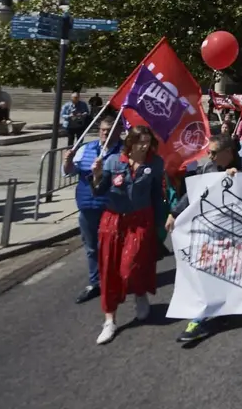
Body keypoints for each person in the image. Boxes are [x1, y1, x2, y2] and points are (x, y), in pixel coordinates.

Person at [90, 124, 167, 345]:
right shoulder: (113, 162)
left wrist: (164, 220)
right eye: (140, 142)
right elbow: (100, 190)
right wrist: (96, 176)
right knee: (109, 271)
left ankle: (139, 293)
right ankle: (109, 320)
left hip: (141, 220)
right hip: (113, 221)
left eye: (147, 142)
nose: (144, 146)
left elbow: (157, 196)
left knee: (131, 265)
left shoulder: (155, 163)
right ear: (130, 143)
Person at [167, 135, 242, 342]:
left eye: (213, 152)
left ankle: (226, 310)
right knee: (207, 273)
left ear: (228, 152)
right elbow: (193, 194)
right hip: (211, 231)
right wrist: (174, 213)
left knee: (231, 274)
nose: (208, 156)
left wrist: (240, 178)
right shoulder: (207, 169)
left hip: (239, 233)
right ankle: (198, 320)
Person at [63, 117, 123, 304]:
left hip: (112, 206)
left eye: (110, 130)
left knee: (113, 246)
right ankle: (95, 282)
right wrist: (68, 161)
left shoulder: (124, 152)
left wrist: (100, 174)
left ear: (118, 131)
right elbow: (70, 172)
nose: (105, 133)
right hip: (87, 205)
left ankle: (116, 279)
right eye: (103, 130)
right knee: (91, 247)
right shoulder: (85, 149)